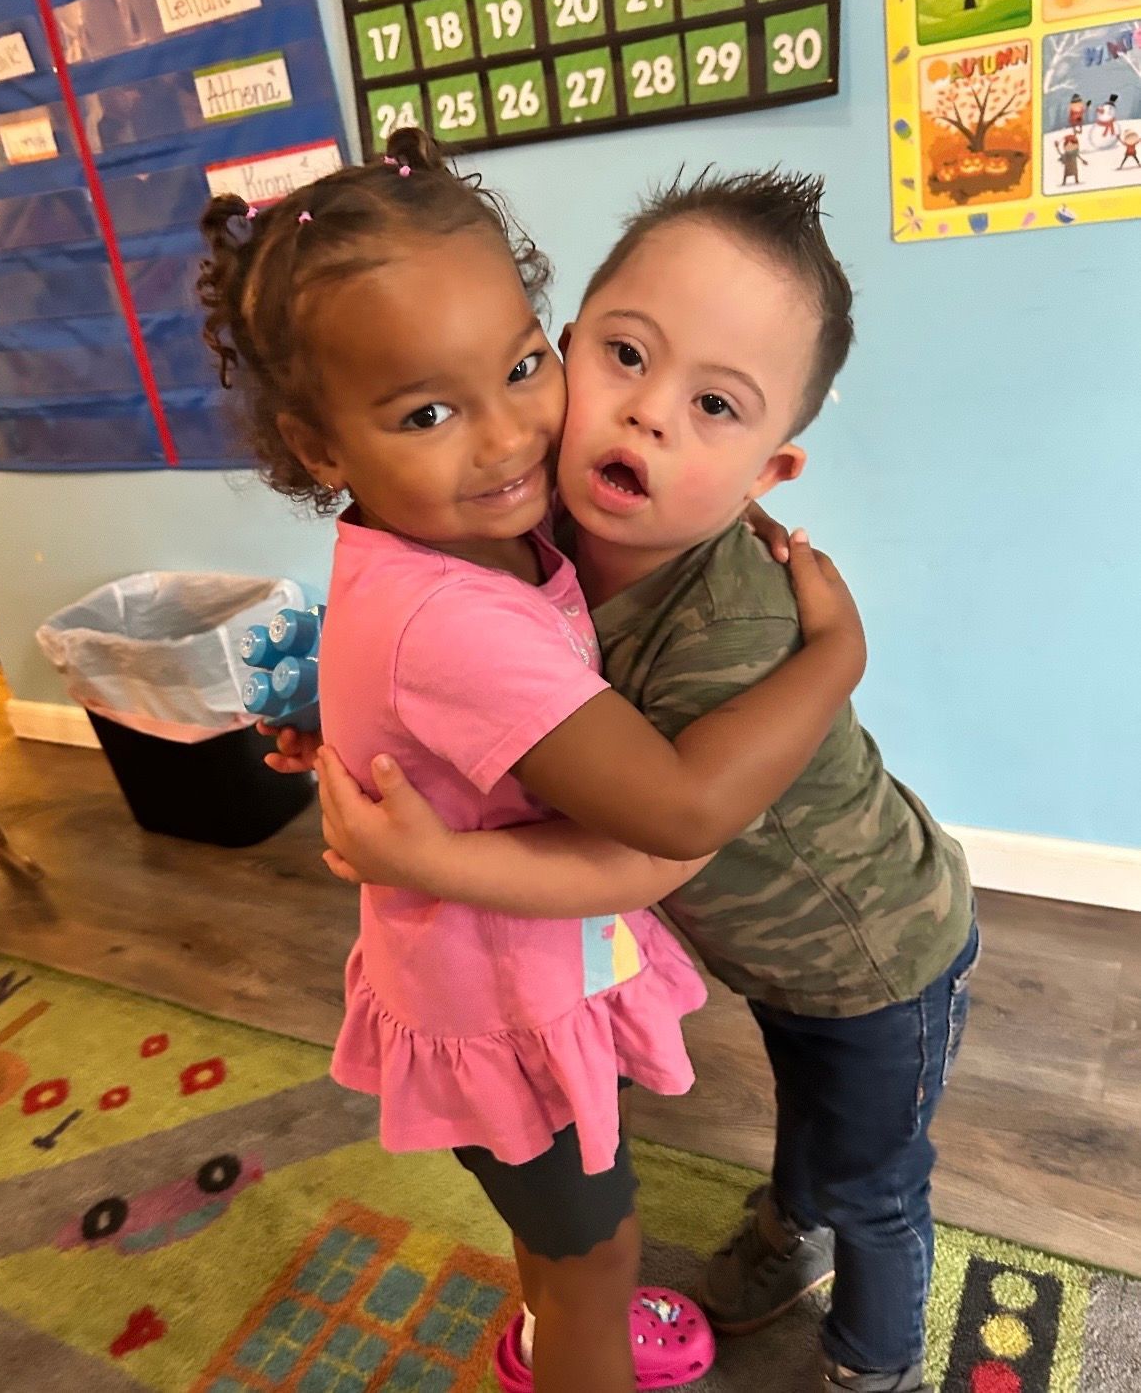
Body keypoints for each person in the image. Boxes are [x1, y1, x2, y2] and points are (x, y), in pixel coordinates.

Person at [197, 131, 866, 1393]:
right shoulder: (457, 615)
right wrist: (836, 653)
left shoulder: (455, 532)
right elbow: (679, 808)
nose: (509, 438)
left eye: (521, 365)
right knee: (596, 1249)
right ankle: (574, 1343)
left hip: (482, 973)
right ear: (323, 447)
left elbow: (403, 684)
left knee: (559, 1225)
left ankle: (556, 1322)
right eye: (430, 411)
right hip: (497, 1001)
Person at [316, 166, 977, 1393]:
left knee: (875, 1182)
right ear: (562, 350)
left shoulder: (732, 623)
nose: (651, 415)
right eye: (624, 355)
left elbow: (675, 821)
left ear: (768, 474)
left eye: (714, 404)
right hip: (761, 956)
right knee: (811, 1135)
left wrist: (840, 649)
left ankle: (870, 1362)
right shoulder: (533, 532)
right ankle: (790, 1230)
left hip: (881, 956)